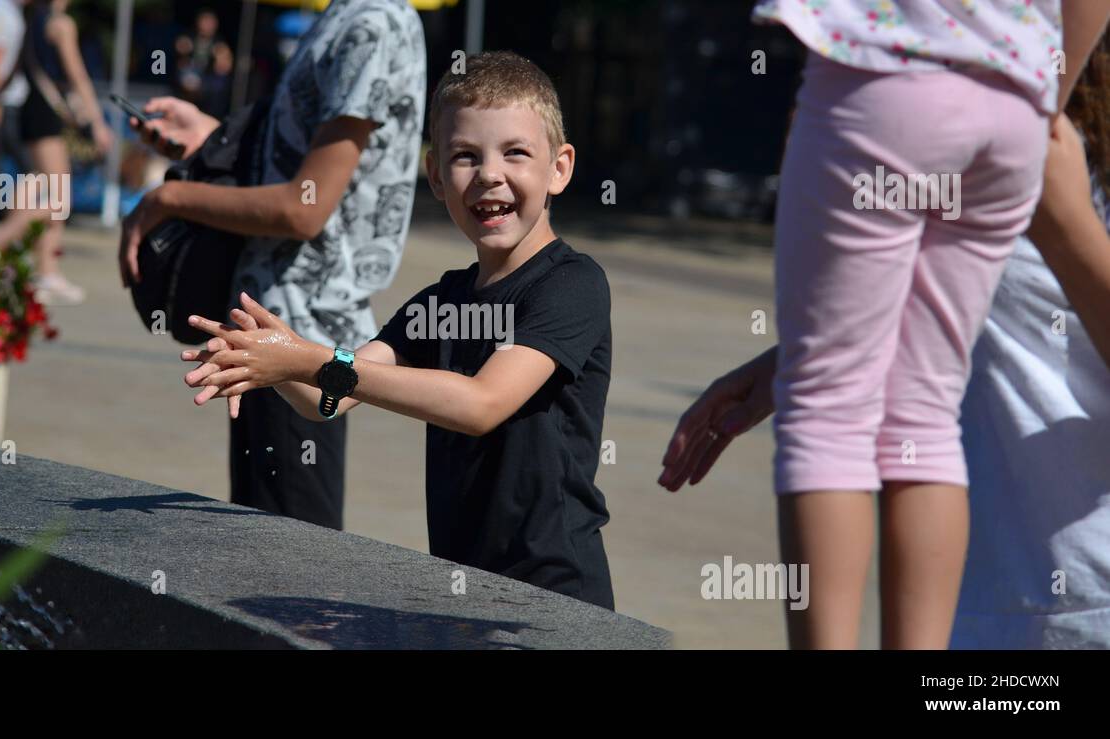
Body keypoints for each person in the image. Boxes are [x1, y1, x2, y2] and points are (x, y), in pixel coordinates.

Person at [667, 0, 1110, 650]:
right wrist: (787, 358)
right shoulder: (1025, 117)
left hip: (1085, 610)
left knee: (827, 420)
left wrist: (1069, 222)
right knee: (919, 421)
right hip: (992, 621)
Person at [180, 52, 617, 610]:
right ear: (435, 175)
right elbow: (327, 399)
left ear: (559, 167)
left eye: (515, 153)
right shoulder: (441, 300)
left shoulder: (571, 284)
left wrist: (302, 359)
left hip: (557, 599)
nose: (489, 174)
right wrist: (264, 358)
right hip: (464, 591)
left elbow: (481, 404)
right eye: (465, 156)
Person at [120, 0, 426, 532]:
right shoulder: (343, 16)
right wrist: (210, 135)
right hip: (272, 332)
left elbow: (303, 211)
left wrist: (168, 199)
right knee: (259, 544)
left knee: (290, 562)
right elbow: (304, 169)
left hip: (300, 342)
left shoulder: (373, 23)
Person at [0, 0, 111, 305]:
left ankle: (38, 267)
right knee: (58, 198)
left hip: (29, 108)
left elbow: (17, 68)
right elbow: (77, 74)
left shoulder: (31, 18)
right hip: (47, 114)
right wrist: (96, 121)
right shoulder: (61, 24)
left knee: (37, 183)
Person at [0, 0, 31, 179]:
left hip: (8, 100)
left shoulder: (11, 11)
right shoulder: (0, 12)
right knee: (22, 170)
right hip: (3, 102)